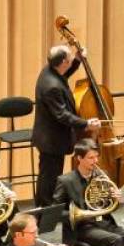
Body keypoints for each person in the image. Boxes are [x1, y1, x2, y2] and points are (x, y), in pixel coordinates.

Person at [33, 43, 101, 207]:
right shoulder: (52, 86)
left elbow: (64, 74)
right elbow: (61, 115)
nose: (71, 59)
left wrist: (77, 60)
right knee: (48, 178)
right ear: (63, 61)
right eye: (70, 58)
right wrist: (86, 123)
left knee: (50, 175)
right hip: (51, 139)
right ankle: (44, 212)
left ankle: (48, 209)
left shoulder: (50, 70)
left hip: (50, 136)